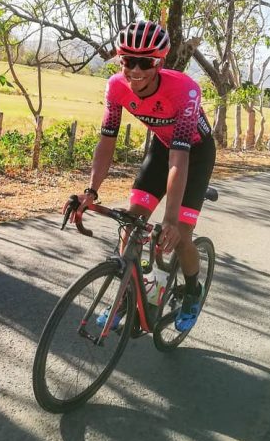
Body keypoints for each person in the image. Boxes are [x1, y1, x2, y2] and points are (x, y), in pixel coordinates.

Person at [67, 20, 216, 332]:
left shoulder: (185, 90)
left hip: (195, 154)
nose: (135, 70)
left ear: (159, 63)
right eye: (128, 61)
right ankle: (125, 296)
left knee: (180, 235)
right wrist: (90, 191)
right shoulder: (116, 87)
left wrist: (171, 219)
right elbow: (106, 142)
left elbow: (180, 157)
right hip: (162, 148)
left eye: (145, 62)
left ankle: (192, 291)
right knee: (131, 221)